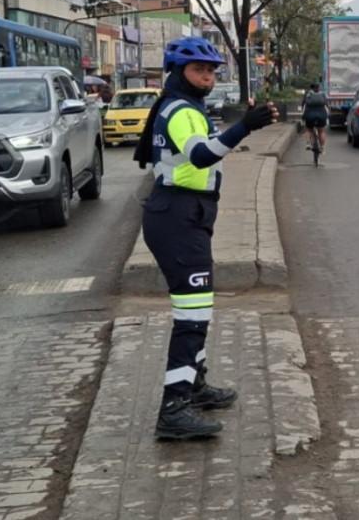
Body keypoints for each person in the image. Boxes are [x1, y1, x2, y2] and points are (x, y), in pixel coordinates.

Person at [134, 36, 278, 440]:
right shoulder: (180, 110)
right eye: (199, 70)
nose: (208, 78)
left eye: (212, 71)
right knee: (192, 316)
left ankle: (193, 385)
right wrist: (243, 128)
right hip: (177, 219)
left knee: (199, 309)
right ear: (180, 73)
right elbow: (200, 156)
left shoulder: (187, 107)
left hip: (186, 216)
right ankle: (174, 408)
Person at [302, 83, 328, 162]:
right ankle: (323, 148)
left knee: (308, 129)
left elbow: (303, 104)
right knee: (321, 131)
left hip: (310, 115)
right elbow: (326, 104)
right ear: (319, 88)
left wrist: (302, 115)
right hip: (321, 115)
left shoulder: (308, 94)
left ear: (311, 88)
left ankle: (308, 143)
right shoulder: (323, 94)